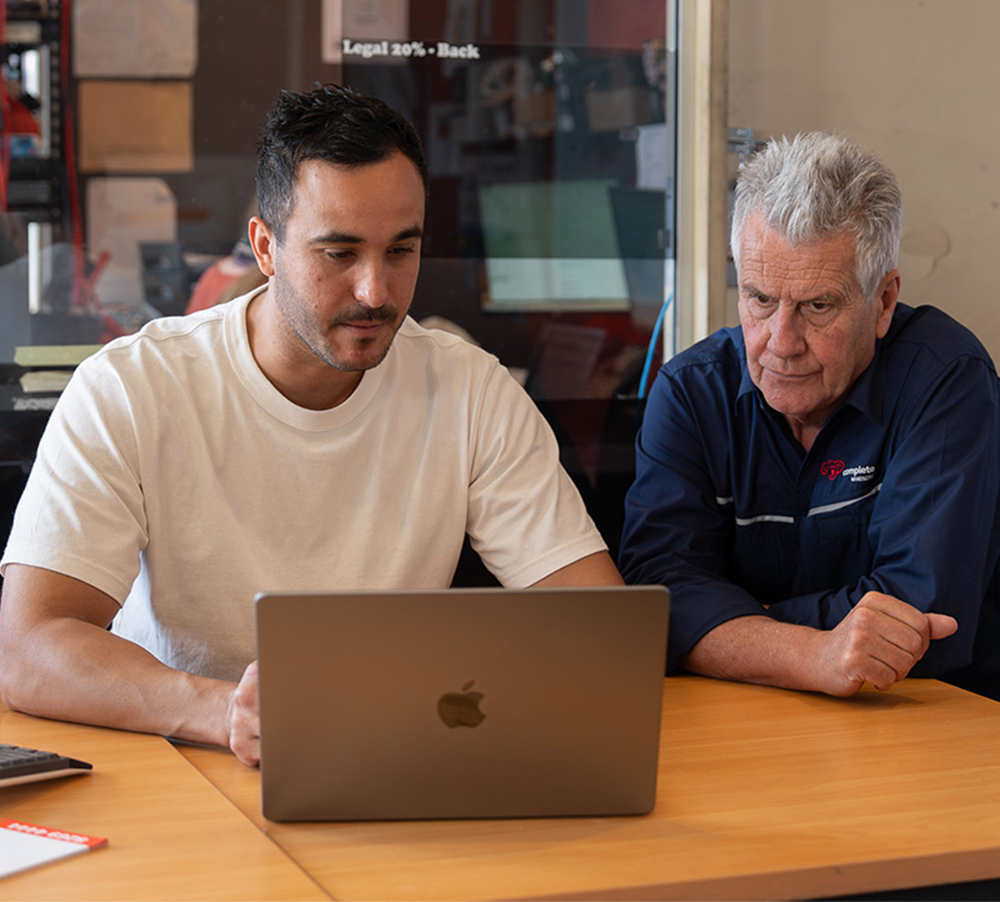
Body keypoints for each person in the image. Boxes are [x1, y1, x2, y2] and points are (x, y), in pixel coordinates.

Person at [0, 84, 621, 765]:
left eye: (401, 251)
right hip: (185, 766)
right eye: (338, 253)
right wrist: (221, 712)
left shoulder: (472, 390)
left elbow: (596, 632)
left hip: (395, 757)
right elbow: (29, 646)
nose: (376, 292)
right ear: (265, 248)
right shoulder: (132, 387)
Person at [621, 132, 1000, 700]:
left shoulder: (945, 377)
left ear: (885, 301)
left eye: (817, 306)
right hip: (745, 716)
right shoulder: (690, 392)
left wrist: (736, 627)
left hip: (926, 717)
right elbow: (657, 599)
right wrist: (810, 653)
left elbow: (920, 617)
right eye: (759, 299)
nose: (781, 343)